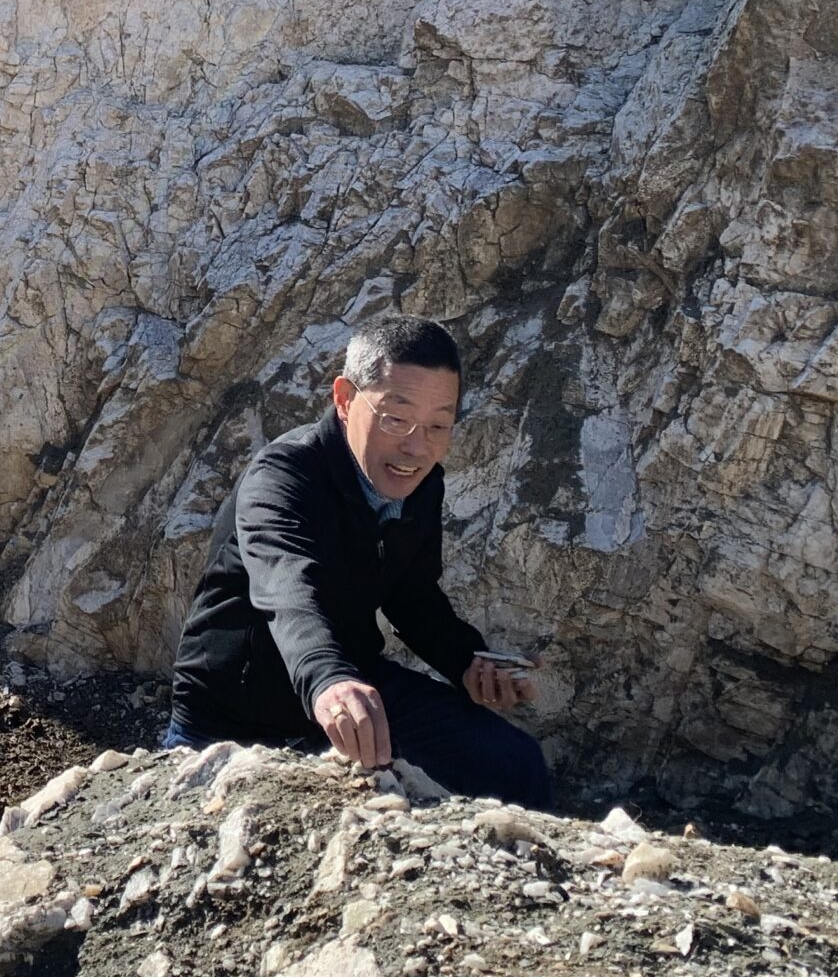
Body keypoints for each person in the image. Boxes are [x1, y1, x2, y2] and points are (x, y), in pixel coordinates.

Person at [166, 314, 552, 808]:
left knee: (514, 763)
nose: (417, 447)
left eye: (439, 425)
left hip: (355, 688)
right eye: (396, 418)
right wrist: (330, 681)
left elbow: (412, 596)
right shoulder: (282, 477)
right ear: (345, 400)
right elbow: (288, 591)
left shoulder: (420, 482)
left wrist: (468, 662)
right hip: (234, 712)